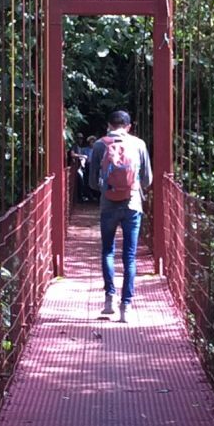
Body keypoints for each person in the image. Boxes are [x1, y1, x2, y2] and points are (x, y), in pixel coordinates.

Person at [85, 109, 152, 321]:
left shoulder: (99, 145)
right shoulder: (139, 144)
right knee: (129, 257)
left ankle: (109, 299)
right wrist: (132, 187)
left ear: (108, 125)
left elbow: (92, 183)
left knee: (107, 251)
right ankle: (126, 307)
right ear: (129, 126)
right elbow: (147, 179)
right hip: (132, 205)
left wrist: (108, 189)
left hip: (108, 205)